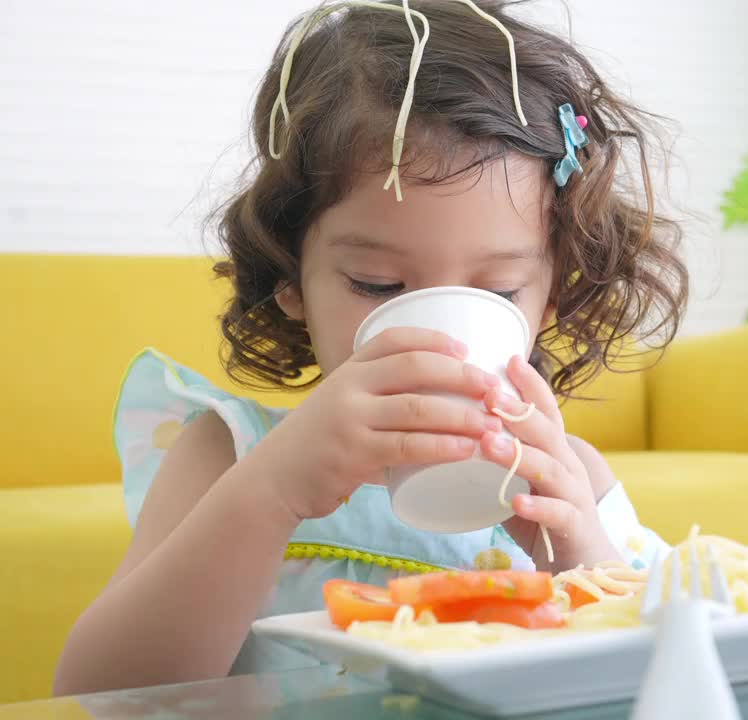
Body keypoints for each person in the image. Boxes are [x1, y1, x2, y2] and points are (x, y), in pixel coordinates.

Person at [55, 0, 686, 694]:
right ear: (290, 279)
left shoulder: (569, 479)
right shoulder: (226, 454)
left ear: (551, 297)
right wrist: (271, 491)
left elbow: (676, 673)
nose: (437, 342)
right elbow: (97, 693)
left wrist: (580, 558)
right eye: (379, 284)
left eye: (500, 291)